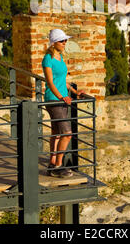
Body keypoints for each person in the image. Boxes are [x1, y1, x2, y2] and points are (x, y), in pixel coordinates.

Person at [42, 29, 85, 178]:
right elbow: (50, 82)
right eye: (62, 41)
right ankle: (59, 166)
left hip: (63, 99)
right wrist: (61, 97)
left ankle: (52, 163)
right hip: (54, 100)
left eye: (65, 40)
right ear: (54, 43)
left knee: (57, 133)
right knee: (67, 133)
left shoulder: (60, 57)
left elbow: (61, 80)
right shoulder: (48, 58)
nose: (65, 43)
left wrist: (73, 91)